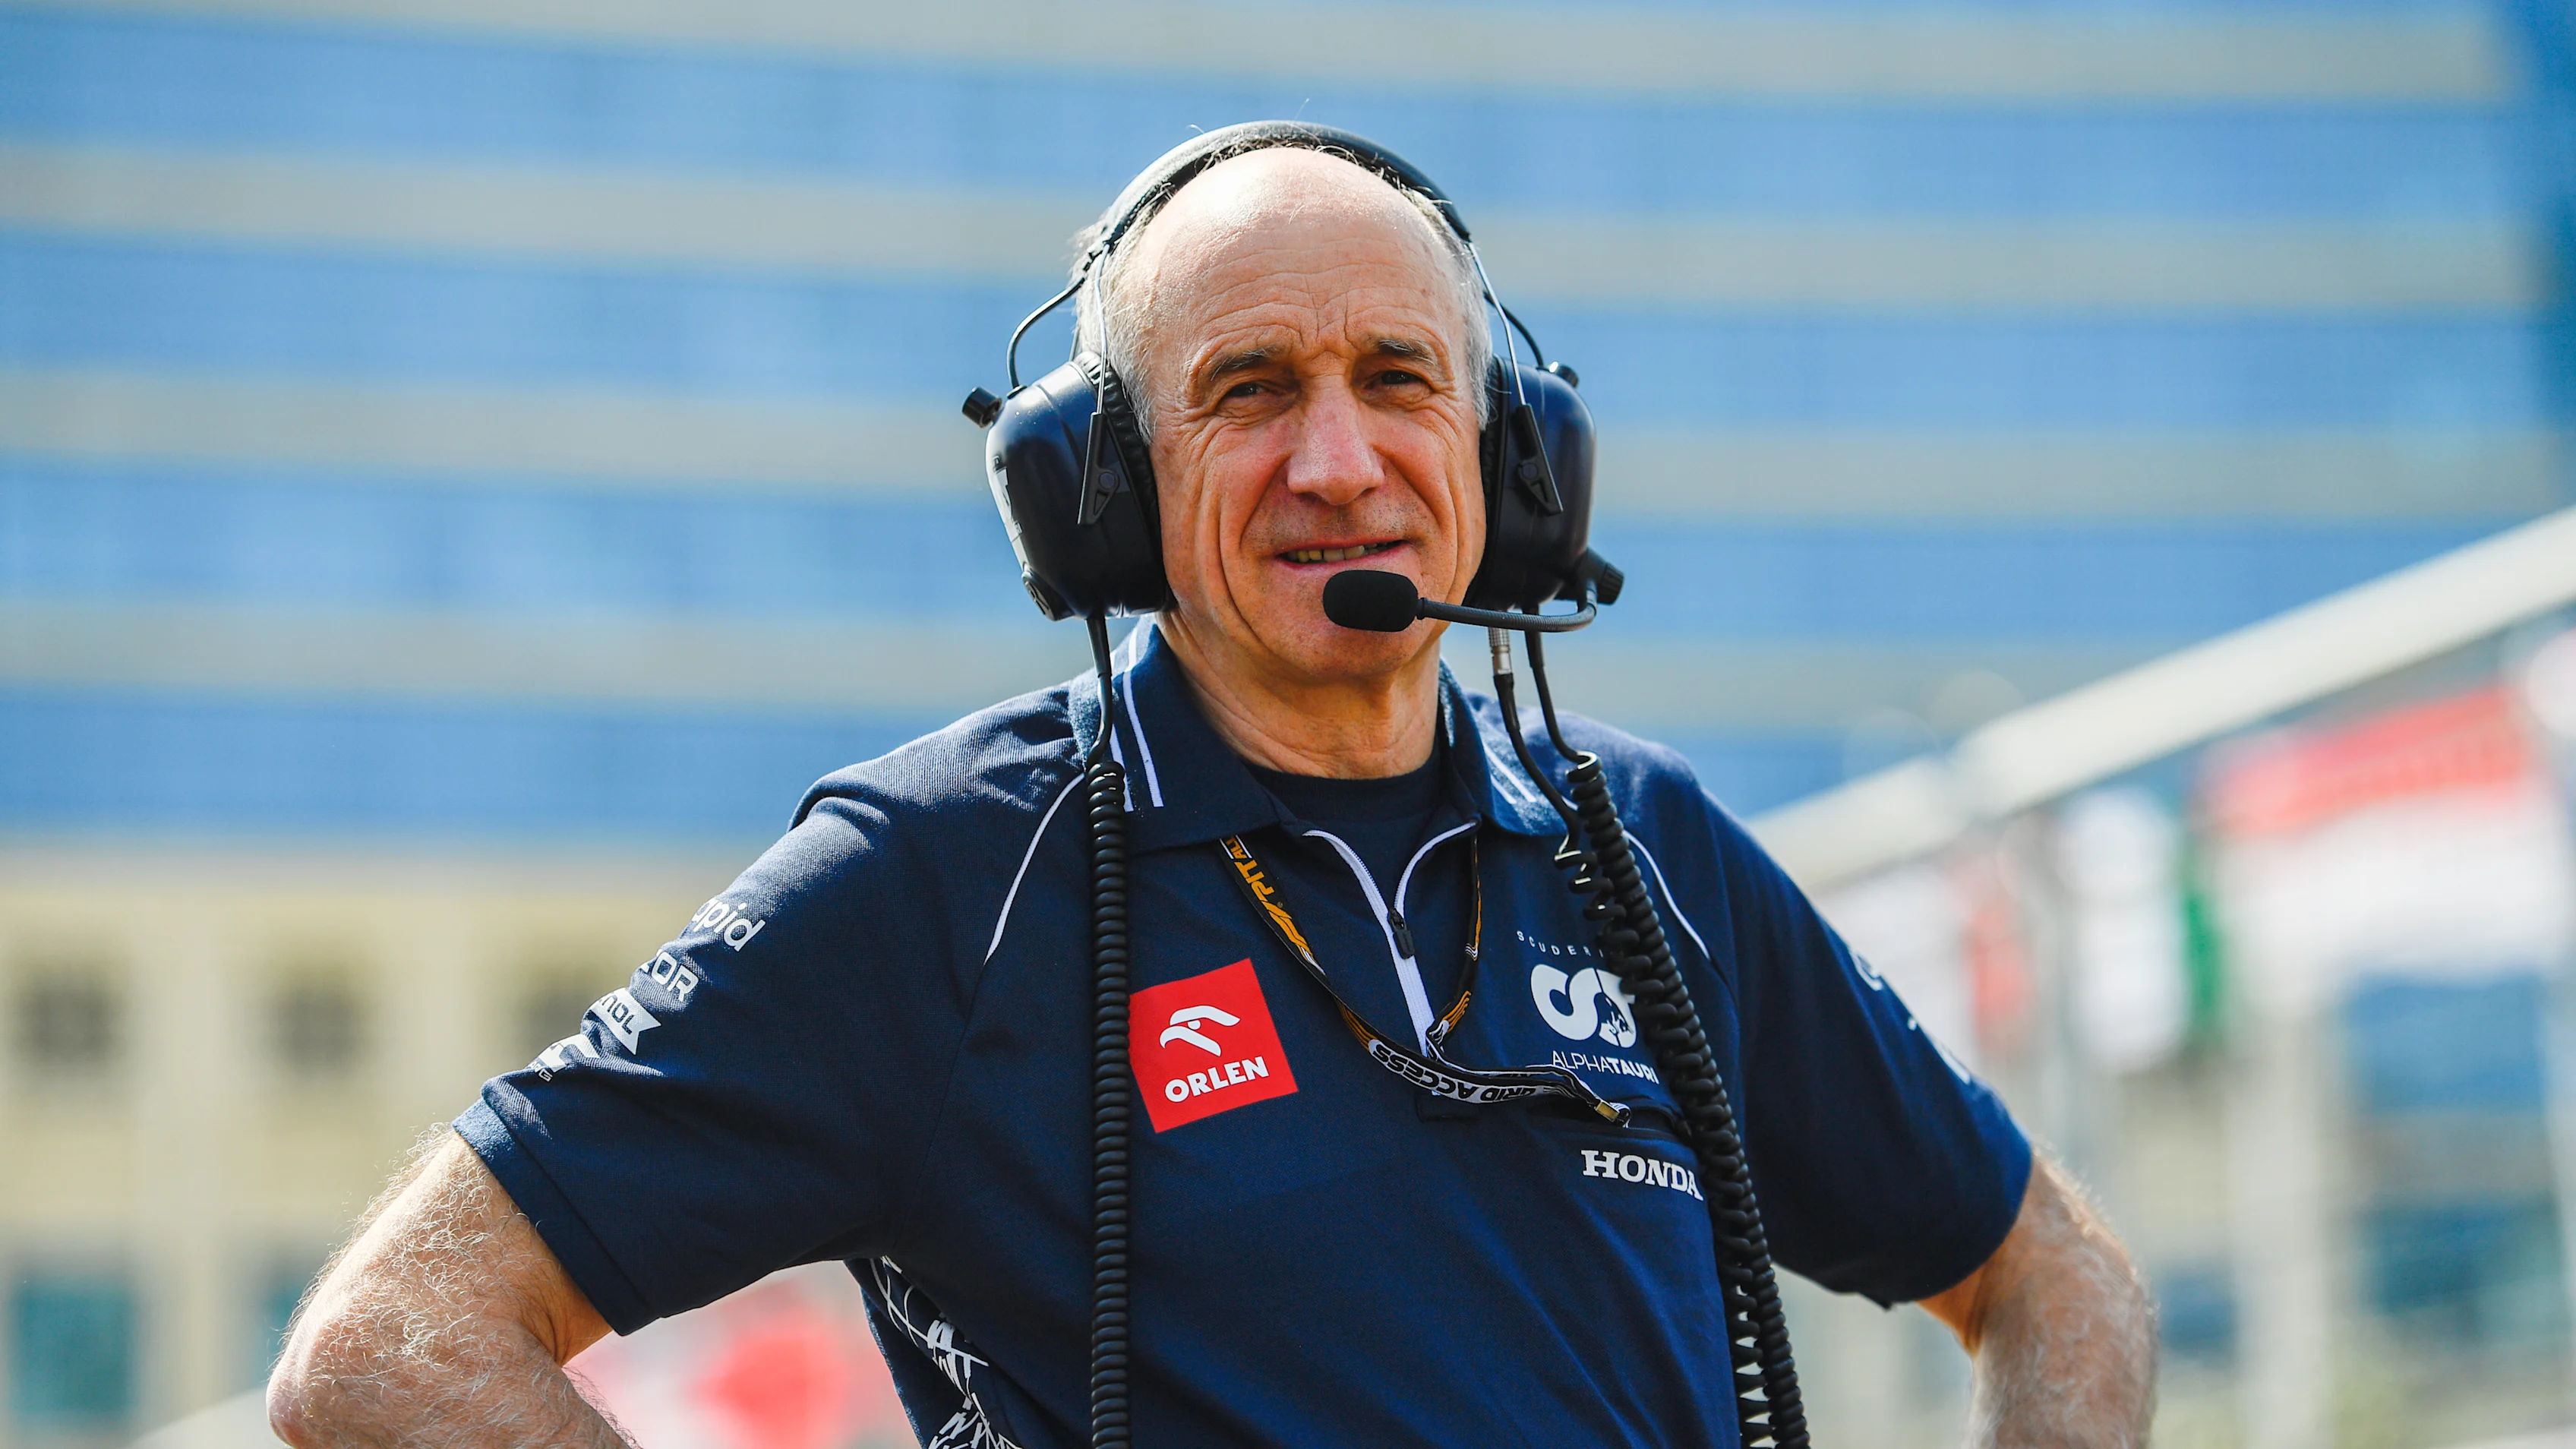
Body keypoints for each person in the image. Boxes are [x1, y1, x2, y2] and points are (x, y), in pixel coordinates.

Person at [269, 128, 2155, 1448]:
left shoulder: (1646, 848)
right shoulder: (943, 875)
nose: (1338, 461)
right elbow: (388, 1348)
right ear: (1101, 491)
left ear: (1507, 456)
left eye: (1397, 379)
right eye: (1251, 389)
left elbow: (2057, 1280)